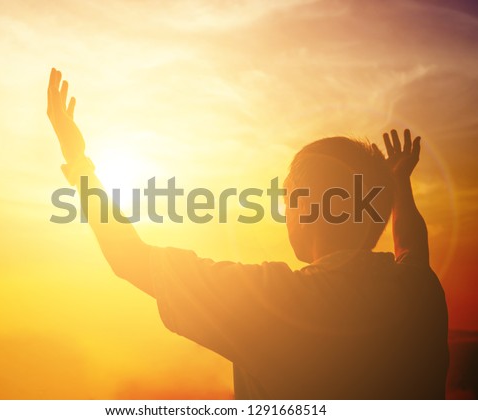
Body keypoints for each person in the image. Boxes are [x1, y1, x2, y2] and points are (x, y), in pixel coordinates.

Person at [46, 68, 449, 399]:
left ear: (310, 206)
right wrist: (398, 184)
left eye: (288, 197)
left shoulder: (278, 302)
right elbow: (412, 245)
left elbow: (128, 257)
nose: (283, 210)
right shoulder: (418, 289)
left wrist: (77, 160)